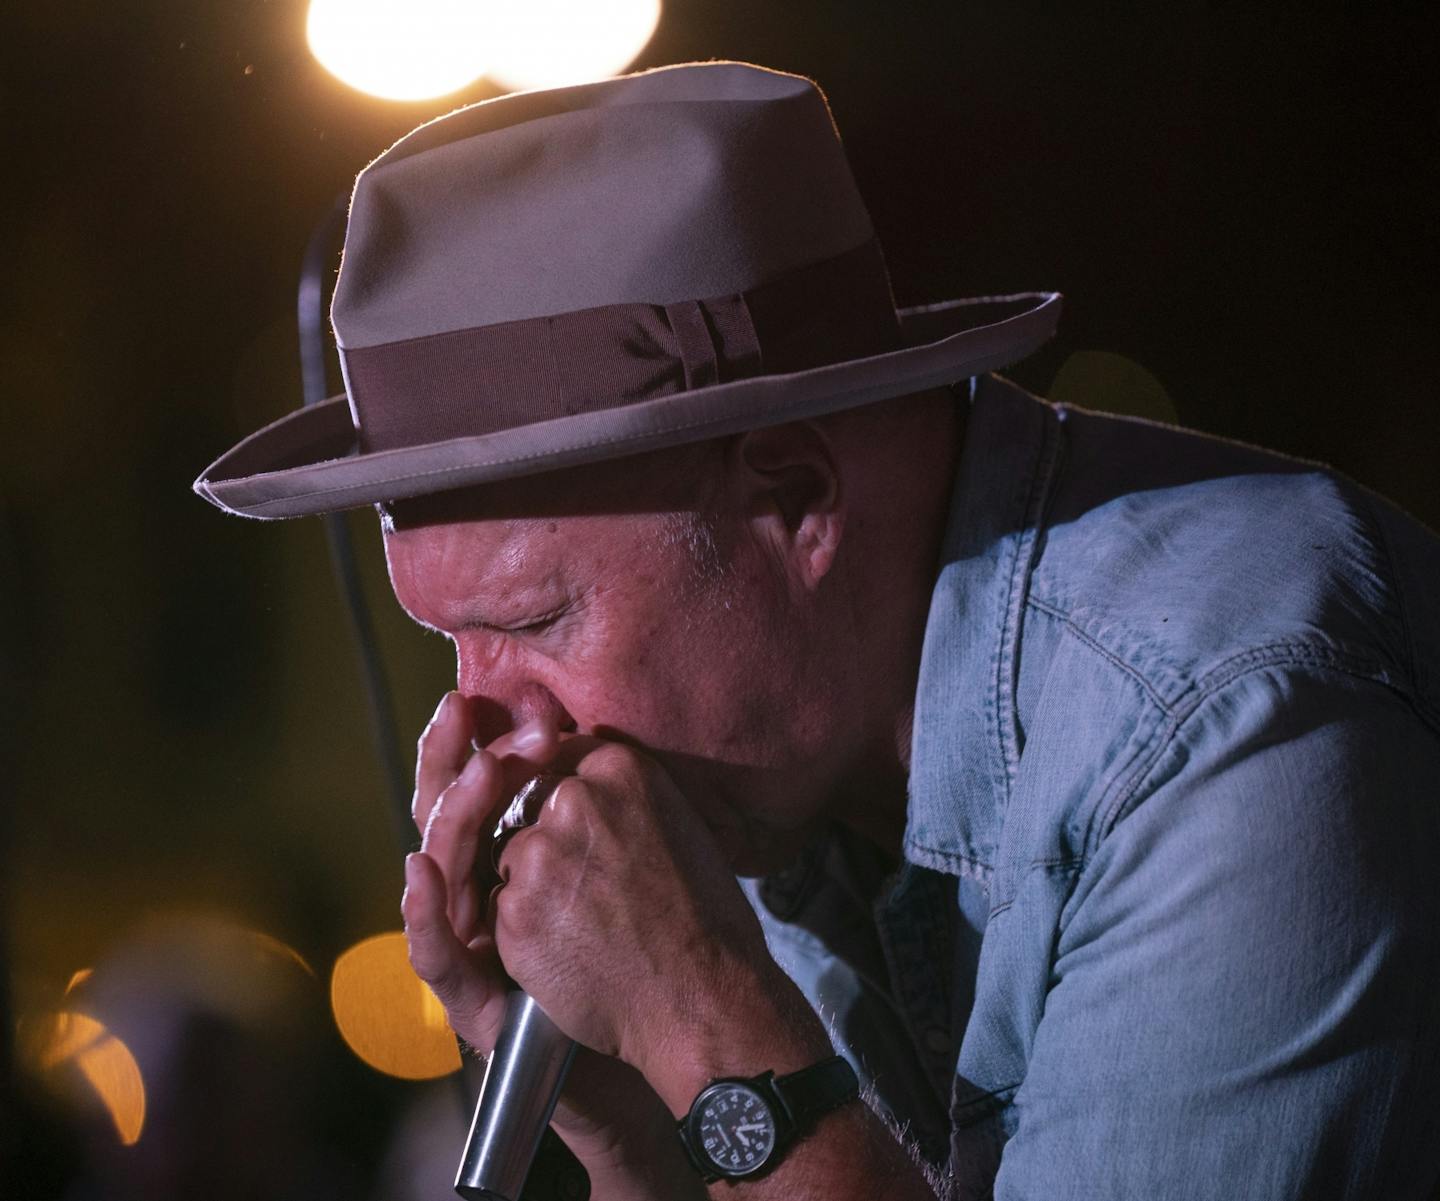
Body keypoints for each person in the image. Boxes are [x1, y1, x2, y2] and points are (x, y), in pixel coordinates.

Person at [195, 62, 1440, 1199]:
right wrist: (627, 1114)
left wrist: (705, 1016)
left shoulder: (1230, 731)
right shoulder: (781, 751)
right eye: (446, 637)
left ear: (793, 504)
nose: (481, 725)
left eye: (530, 621)